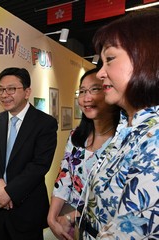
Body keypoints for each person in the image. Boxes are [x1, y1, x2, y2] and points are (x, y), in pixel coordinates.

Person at [80, 9, 159, 239]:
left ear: (144, 57)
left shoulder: (154, 140)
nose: (101, 73)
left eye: (110, 59)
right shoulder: (129, 127)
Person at [0, 67, 58, 240]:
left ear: (27, 92)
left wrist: (9, 192)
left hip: (27, 211)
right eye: (0, 89)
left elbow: (39, 166)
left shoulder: (45, 123)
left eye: (11, 89)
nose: (4, 94)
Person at [47, 68, 120, 240]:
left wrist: (70, 217)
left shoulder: (122, 141)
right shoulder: (76, 136)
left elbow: (114, 199)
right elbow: (63, 178)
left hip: (104, 229)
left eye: (95, 89)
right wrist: (51, 217)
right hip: (70, 225)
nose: (86, 98)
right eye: (82, 91)